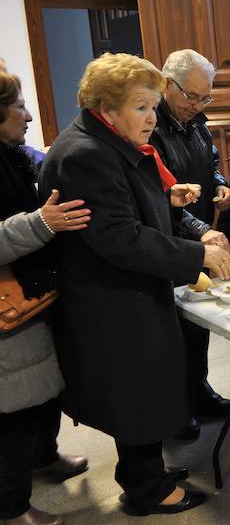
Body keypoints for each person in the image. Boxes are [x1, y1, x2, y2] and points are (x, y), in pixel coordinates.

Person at [38, 53, 230, 515]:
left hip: (124, 290)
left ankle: (147, 471)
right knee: (135, 389)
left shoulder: (102, 143)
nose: (152, 117)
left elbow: (118, 205)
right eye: (142, 107)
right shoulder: (85, 154)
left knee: (144, 384)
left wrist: (164, 196)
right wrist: (197, 254)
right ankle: (145, 488)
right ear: (108, 109)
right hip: (110, 296)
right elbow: (119, 238)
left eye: (153, 105)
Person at [0, 73, 90, 525]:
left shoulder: (14, 157)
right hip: (7, 309)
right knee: (15, 407)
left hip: (32, 293)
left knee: (43, 390)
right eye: (18, 105)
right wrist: (41, 223)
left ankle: (44, 457)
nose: (29, 114)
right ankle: (12, 508)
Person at [150, 49, 230, 440]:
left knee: (198, 321)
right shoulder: (150, 128)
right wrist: (203, 230)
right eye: (191, 96)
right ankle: (175, 407)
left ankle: (198, 391)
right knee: (172, 328)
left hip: (194, 233)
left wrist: (218, 181)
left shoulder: (197, 123)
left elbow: (210, 160)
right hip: (168, 237)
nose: (198, 105)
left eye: (206, 98)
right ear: (168, 84)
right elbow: (160, 195)